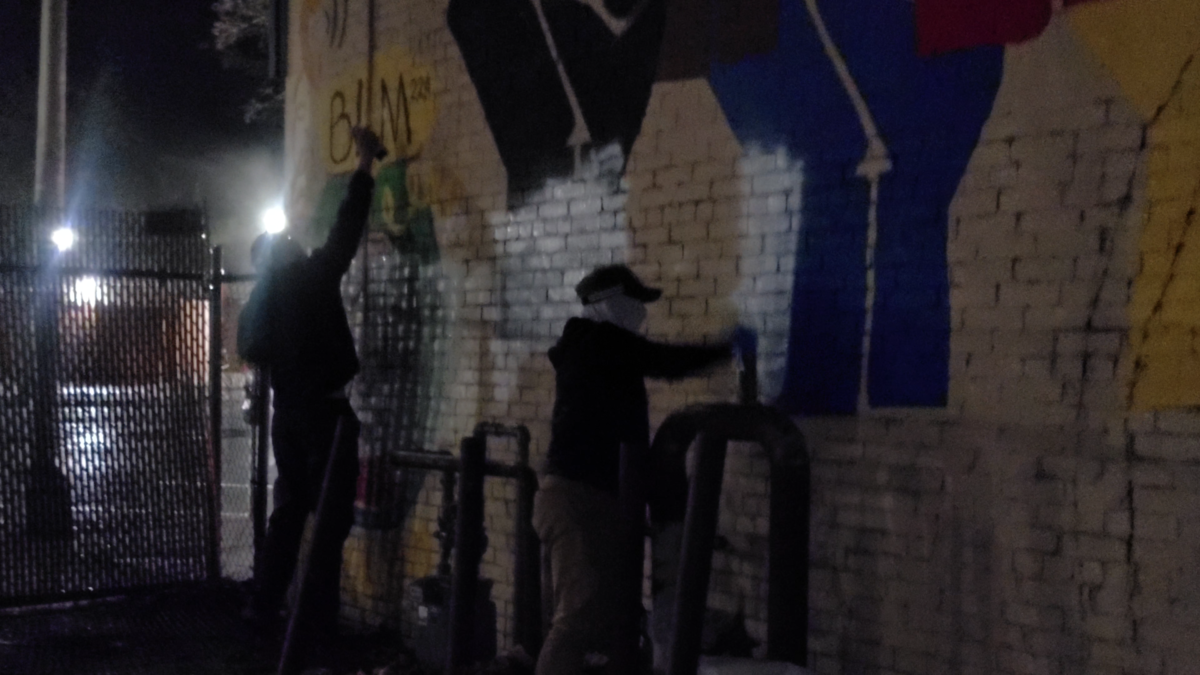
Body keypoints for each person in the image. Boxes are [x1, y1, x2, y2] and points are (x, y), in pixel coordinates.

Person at [535, 264, 748, 675]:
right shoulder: (601, 342)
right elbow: (665, 361)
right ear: (609, 303)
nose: (640, 312)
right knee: (578, 622)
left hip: (583, 497)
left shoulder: (593, 350)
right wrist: (725, 349)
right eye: (634, 302)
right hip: (579, 499)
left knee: (599, 617)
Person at [237, 127, 384, 647]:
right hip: (327, 418)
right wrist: (364, 164)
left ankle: (264, 608)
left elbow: (254, 352)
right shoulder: (311, 277)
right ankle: (316, 624)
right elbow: (347, 227)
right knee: (330, 522)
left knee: (288, 515)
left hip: (289, 417)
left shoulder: (260, 303)